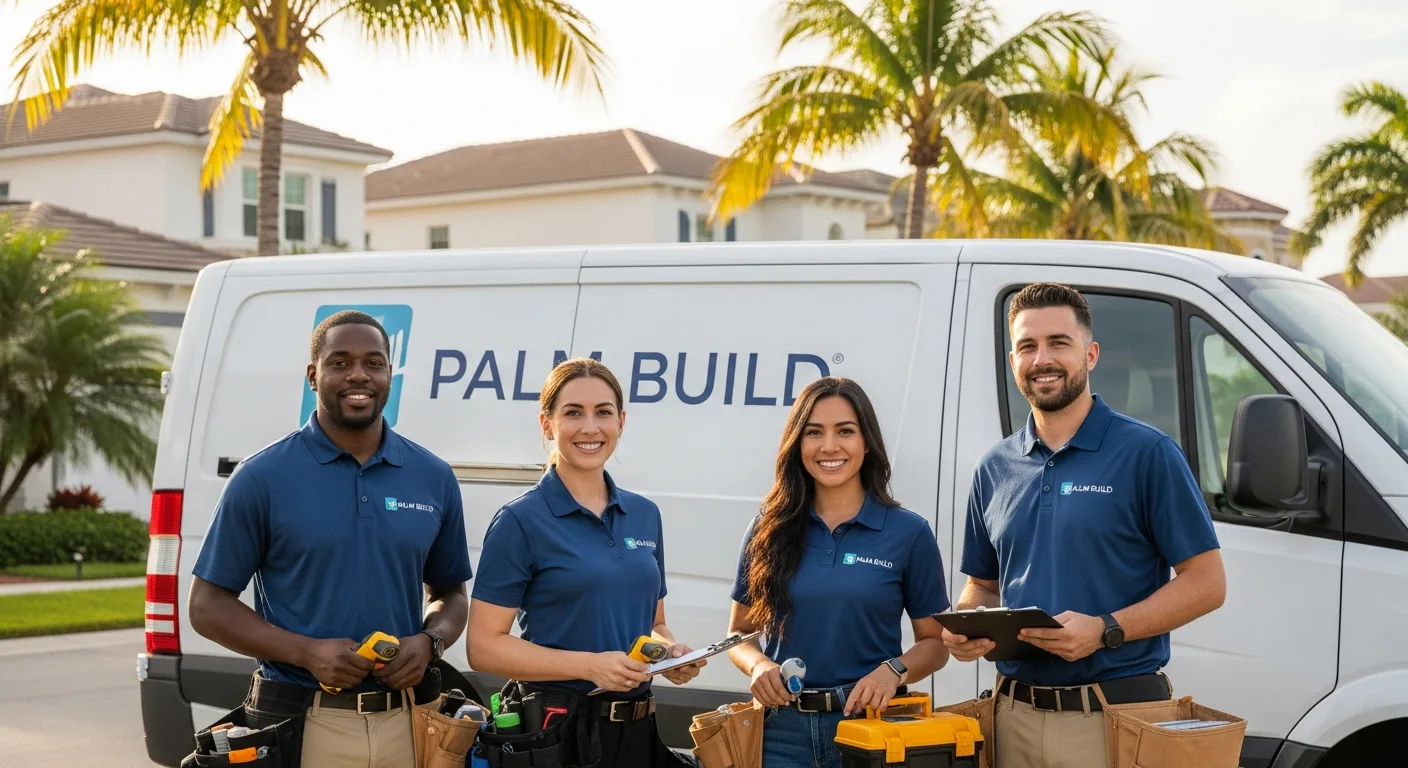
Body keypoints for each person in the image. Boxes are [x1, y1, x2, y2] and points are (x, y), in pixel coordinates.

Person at [942, 282, 1227, 768]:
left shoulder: (1148, 454)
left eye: (1059, 343)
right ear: (1013, 362)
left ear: (1090, 354)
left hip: (1118, 716)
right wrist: (966, 624)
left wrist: (1105, 629)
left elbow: (1208, 583)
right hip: (1013, 718)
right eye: (1027, 347)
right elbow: (983, 586)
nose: (1042, 359)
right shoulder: (993, 467)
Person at [188, 309, 475, 767]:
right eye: (339, 362)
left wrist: (430, 641)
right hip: (303, 723)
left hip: (408, 723)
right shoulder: (262, 477)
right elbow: (206, 606)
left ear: (389, 375)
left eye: (374, 362)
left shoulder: (432, 476)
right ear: (312, 375)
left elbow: (450, 594)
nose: (358, 374)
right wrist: (306, 652)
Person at [465, 357, 703, 768]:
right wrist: (591, 666)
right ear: (547, 424)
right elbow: (483, 647)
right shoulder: (520, 521)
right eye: (573, 413)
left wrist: (669, 654)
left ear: (621, 422)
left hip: (637, 733)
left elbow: (654, 624)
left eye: (603, 413)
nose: (590, 427)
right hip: (557, 734)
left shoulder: (644, 514)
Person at [726, 376, 952, 768]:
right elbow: (739, 633)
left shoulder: (908, 532)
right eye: (814, 433)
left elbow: (935, 643)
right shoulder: (767, 528)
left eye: (845, 431)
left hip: (872, 729)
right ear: (797, 444)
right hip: (780, 733)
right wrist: (758, 665)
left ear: (867, 441)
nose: (829, 446)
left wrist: (893, 671)